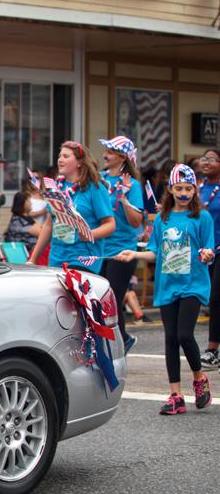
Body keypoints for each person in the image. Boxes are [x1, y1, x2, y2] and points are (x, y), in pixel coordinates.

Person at [116, 164, 214, 414]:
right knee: (170, 339)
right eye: (179, 188)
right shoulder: (162, 218)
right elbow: (155, 251)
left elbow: (209, 250)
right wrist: (134, 255)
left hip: (193, 284)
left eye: (188, 188)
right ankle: (175, 395)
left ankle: (200, 378)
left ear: (195, 190)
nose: (183, 193)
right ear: (170, 189)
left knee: (184, 335)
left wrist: (206, 255)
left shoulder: (202, 217)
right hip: (167, 284)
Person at [28, 141, 115, 274]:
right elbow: (48, 226)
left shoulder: (94, 188)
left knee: (70, 292)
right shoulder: (56, 188)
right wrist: (33, 259)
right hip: (57, 258)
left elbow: (110, 225)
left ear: (79, 162)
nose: (60, 160)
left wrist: (91, 234)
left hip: (83, 258)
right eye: (60, 156)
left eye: (66, 156)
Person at [98, 136, 144, 353]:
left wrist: (124, 198)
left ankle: (118, 343)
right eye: (106, 149)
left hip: (122, 250)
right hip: (98, 249)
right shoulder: (98, 179)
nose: (105, 154)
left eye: (110, 151)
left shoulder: (132, 185)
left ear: (122, 157)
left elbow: (136, 222)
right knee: (98, 298)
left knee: (112, 300)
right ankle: (121, 338)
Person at [198, 148, 220, 368]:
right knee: (204, 298)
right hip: (202, 252)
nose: (205, 162)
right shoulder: (198, 188)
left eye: (212, 159)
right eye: (204, 159)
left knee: (215, 299)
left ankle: (212, 351)